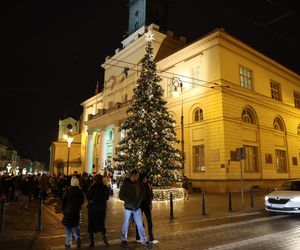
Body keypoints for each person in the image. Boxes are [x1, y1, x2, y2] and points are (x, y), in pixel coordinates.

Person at [119, 169, 151, 247]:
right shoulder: (126, 184)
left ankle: (144, 240)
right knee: (126, 224)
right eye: (137, 176)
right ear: (133, 176)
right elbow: (121, 195)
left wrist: (139, 201)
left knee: (140, 224)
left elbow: (141, 193)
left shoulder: (138, 183)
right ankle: (123, 239)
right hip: (128, 208)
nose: (138, 177)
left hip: (137, 208)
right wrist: (128, 200)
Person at [86, 174, 110, 247]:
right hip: (102, 208)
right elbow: (107, 197)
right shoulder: (105, 187)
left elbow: (89, 197)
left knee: (91, 224)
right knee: (101, 224)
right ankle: (105, 240)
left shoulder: (93, 187)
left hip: (94, 208)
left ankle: (92, 241)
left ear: (95, 180)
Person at [62, 176, 84, 249]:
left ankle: (68, 244)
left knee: (67, 228)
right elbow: (82, 201)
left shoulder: (68, 191)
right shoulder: (80, 191)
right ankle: (78, 237)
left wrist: (64, 209)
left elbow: (63, 201)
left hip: (68, 211)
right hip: (76, 211)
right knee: (75, 225)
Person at [136, 173, 157, 243]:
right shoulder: (138, 185)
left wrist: (150, 202)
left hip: (147, 205)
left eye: (146, 178)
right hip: (139, 205)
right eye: (144, 178)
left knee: (150, 221)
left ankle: (151, 237)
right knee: (139, 221)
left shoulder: (148, 185)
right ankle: (138, 237)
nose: (145, 179)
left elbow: (151, 194)